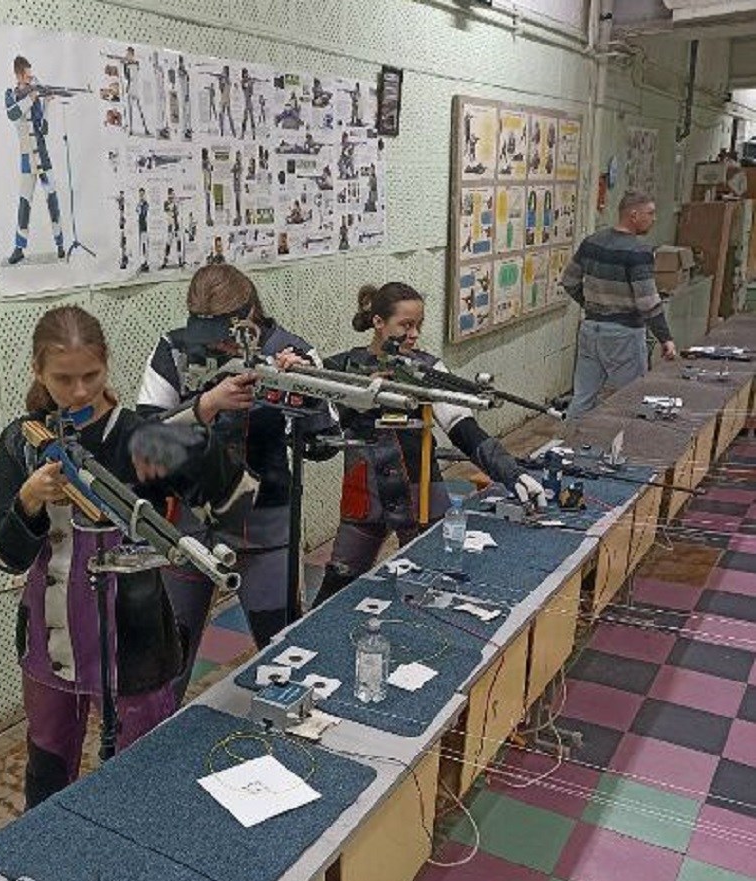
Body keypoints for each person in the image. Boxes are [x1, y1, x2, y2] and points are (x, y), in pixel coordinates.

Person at [0, 306, 246, 808]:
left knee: (143, 775)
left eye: (91, 375)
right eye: (63, 379)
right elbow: (0, 556)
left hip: (136, 635)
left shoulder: (139, 434)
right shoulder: (21, 440)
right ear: (37, 372)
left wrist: (198, 428)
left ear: (107, 364)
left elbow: (233, 496)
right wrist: (29, 501)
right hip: (51, 634)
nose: (80, 392)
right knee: (47, 768)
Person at [137, 265, 335, 695]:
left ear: (249, 318)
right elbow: (145, 439)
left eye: (224, 337)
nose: (215, 347)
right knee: (168, 663)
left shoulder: (292, 349)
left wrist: (303, 389)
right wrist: (208, 404)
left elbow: (324, 445)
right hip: (188, 526)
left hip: (265, 526)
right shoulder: (173, 349)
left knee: (281, 654)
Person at [312, 282, 545, 605]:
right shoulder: (342, 367)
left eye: (418, 325)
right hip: (364, 492)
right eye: (405, 325)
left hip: (420, 490)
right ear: (378, 322)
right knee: (338, 584)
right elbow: (317, 434)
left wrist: (510, 472)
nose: (414, 334)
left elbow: (462, 427)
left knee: (437, 583)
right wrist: (359, 399)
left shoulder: (427, 369)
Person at [561, 190, 677, 418]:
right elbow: (648, 303)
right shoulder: (639, 252)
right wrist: (666, 338)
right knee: (631, 400)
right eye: (650, 213)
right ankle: (625, 441)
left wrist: (591, 305)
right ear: (633, 215)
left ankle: (571, 439)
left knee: (582, 399)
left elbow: (569, 281)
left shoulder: (591, 243)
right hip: (623, 335)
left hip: (590, 330)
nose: (654, 219)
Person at [4, 55, 64, 265]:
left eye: (31, 77)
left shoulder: (34, 98)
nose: (31, 80)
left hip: (43, 159)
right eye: (28, 77)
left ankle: (60, 244)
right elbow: (13, 114)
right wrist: (32, 97)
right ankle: (19, 248)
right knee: (24, 204)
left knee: (52, 200)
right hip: (27, 161)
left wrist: (46, 104)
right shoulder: (11, 95)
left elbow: (43, 129)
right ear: (19, 75)